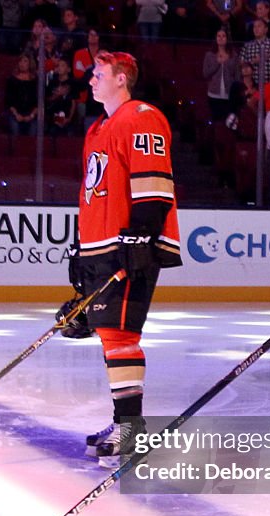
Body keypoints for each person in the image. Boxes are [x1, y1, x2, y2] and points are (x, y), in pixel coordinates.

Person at [74, 51, 182, 468]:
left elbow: (154, 183)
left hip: (128, 245)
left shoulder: (142, 116)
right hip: (100, 246)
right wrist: (79, 249)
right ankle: (123, 421)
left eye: (99, 74)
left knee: (121, 336)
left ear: (122, 79)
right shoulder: (97, 128)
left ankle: (132, 429)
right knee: (108, 335)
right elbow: (91, 192)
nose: (91, 81)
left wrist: (140, 236)